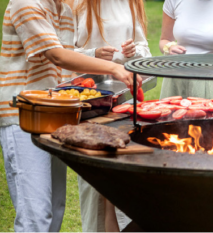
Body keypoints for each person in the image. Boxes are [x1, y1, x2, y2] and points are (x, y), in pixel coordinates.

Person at [0, 0, 138, 231]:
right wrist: (114, 68)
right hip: (22, 116)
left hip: (53, 115)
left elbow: (67, 60)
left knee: (55, 209)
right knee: (36, 216)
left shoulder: (62, 9)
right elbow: (57, 56)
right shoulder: (26, 3)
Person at [72, 0, 151, 231]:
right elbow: (61, 52)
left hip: (125, 99)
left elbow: (145, 50)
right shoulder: (74, 3)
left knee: (124, 172)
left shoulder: (132, 2)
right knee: (92, 178)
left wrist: (134, 52)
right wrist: (93, 54)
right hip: (89, 101)